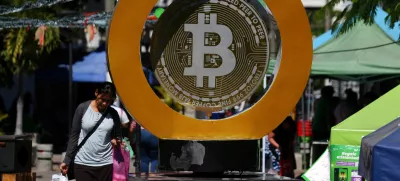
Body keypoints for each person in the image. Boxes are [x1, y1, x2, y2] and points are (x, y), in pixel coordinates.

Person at [60, 82, 123, 181]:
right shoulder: (82, 108)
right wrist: (67, 160)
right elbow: (74, 136)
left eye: (108, 101)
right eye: (102, 99)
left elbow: (118, 135)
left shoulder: (113, 113)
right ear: (96, 93)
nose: (105, 103)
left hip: (106, 164)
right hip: (82, 164)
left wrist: (117, 141)